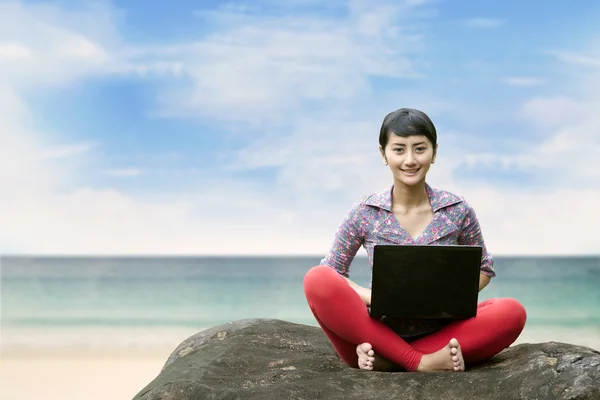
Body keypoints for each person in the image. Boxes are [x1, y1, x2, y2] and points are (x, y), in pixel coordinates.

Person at [303, 108, 527, 373]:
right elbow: (331, 273)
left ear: (434, 152)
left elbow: (484, 269)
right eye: (399, 149)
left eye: (419, 149)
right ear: (383, 154)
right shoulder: (364, 211)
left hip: (442, 333)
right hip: (378, 332)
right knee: (316, 279)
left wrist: (443, 298)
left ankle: (394, 361)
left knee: (512, 311)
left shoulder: (457, 209)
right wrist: (370, 296)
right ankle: (419, 362)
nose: (410, 160)